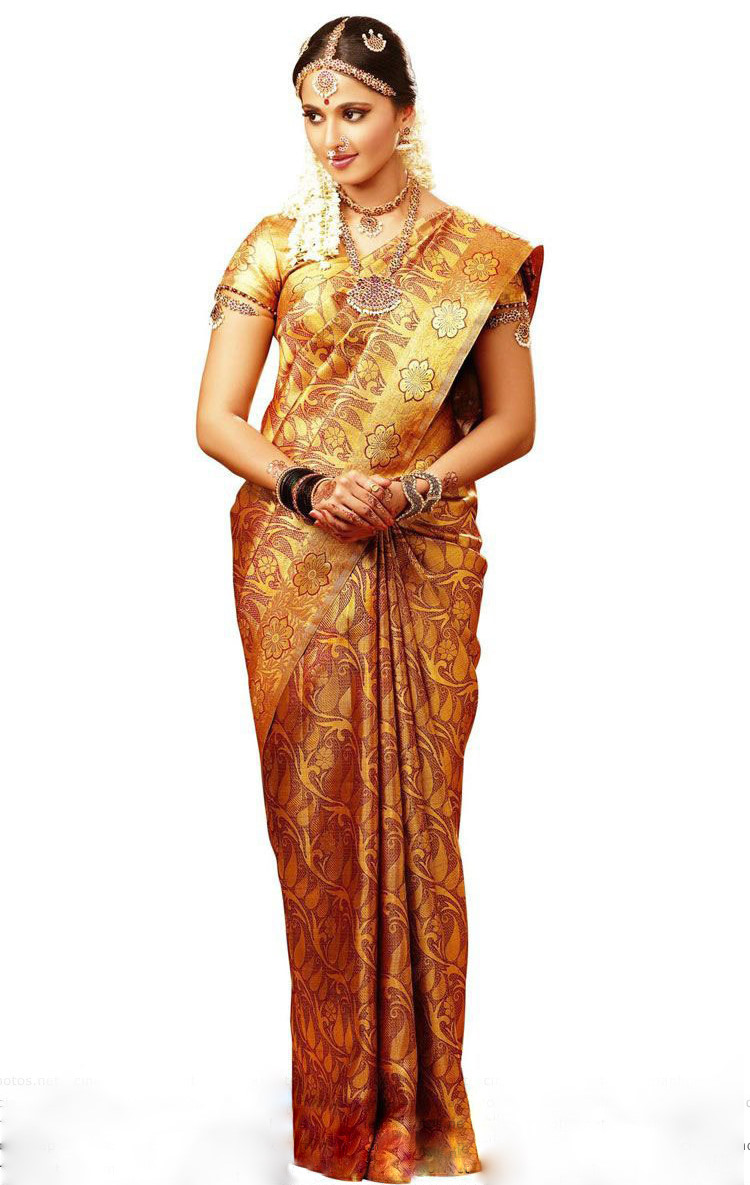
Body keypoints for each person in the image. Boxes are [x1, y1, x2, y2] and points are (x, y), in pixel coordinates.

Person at [196, 15, 543, 1184]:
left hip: (420, 552)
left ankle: (421, 1112)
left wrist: (411, 487)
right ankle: (340, 1114)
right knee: (318, 830)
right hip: (296, 560)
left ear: (403, 113)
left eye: (353, 112)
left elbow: (514, 422)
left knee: (421, 820)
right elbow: (217, 419)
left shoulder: (476, 257)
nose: (332, 137)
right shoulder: (274, 246)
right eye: (313, 115)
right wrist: (305, 484)